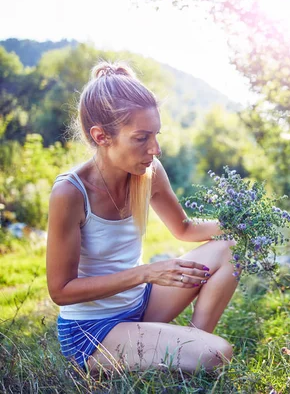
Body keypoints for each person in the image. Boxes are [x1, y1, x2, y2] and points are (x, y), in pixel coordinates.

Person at [46, 61, 239, 374]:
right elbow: (61, 291)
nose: (155, 149)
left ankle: (194, 343)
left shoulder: (148, 172)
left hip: (142, 305)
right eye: (141, 138)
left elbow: (185, 228)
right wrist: (146, 273)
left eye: (156, 135)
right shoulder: (70, 192)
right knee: (218, 354)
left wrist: (243, 227)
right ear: (101, 136)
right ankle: (195, 352)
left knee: (231, 248)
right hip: (92, 333)